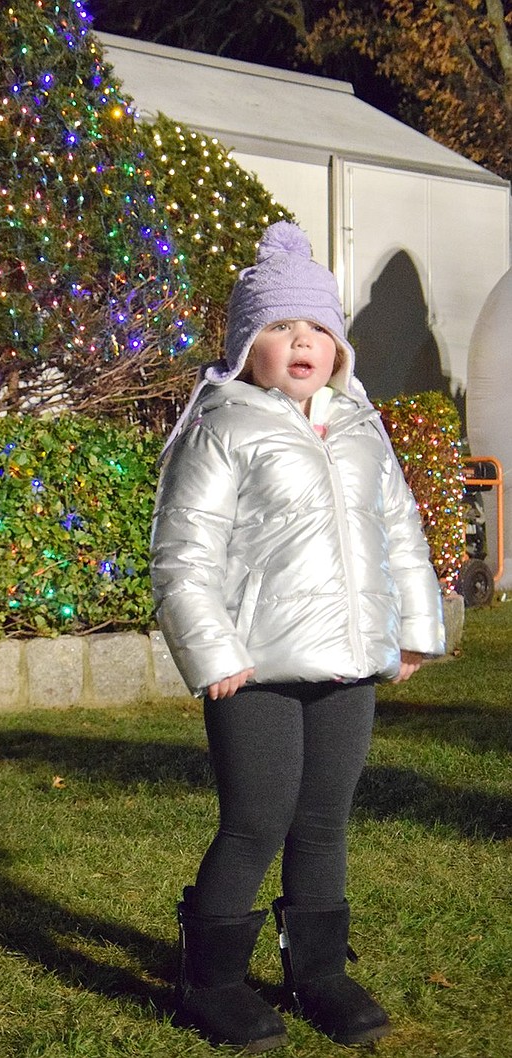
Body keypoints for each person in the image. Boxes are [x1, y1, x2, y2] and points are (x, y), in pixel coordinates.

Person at [150, 222, 445, 1052]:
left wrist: (412, 629)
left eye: (315, 327)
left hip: (346, 664)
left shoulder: (358, 425)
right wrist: (213, 654)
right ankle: (208, 980)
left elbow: (399, 530)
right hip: (256, 671)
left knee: (324, 819)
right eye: (279, 329)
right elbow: (183, 552)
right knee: (257, 817)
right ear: (248, 347)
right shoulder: (221, 426)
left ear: (338, 347)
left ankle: (318, 971)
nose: (301, 342)